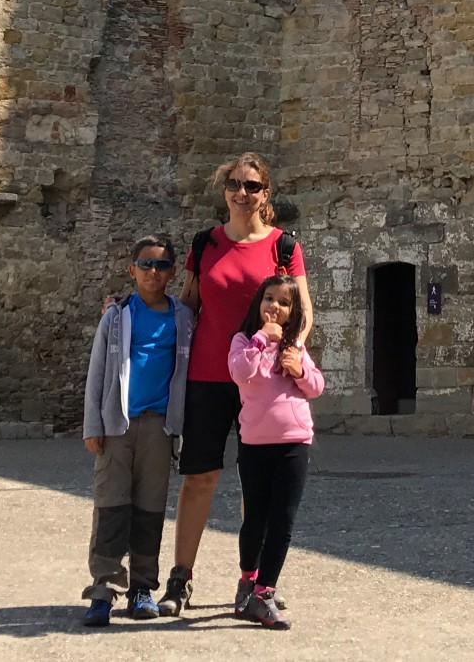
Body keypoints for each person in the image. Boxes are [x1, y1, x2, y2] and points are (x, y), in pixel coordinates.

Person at [156, 152, 312, 618]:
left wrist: (294, 353)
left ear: (266, 194)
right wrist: (129, 313)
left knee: (256, 486)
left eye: (253, 186)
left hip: (263, 384)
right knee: (198, 477)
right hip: (208, 374)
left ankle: (254, 583)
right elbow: (186, 305)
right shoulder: (205, 243)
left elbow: (303, 313)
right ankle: (180, 578)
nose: (242, 193)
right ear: (224, 189)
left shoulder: (284, 247)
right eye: (235, 184)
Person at [80, 237, 194, 627]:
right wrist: (93, 425)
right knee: (111, 506)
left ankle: (143, 586)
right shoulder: (117, 316)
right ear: (132, 271)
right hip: (117, 425)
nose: (152, 272)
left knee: (149, 509)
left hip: (159, 427)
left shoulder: (182, 318)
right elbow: (97, 372)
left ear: (172, 272)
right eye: (145, 265)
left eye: (161, 266)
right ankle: (103, 587)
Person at [227, 275, 322, 629]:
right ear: (258, 303)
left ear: (292, 312)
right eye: (269, 299)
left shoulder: (296, 346)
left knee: (283, 520)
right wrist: (261, 339)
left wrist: (299, 370)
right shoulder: (243, 341)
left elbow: (316, 387)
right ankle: (247, 580)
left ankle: (264, 592)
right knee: (255, 518)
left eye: (284, 303)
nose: (275, 307)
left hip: (295, 442)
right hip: (255, 445)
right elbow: (240, 372)